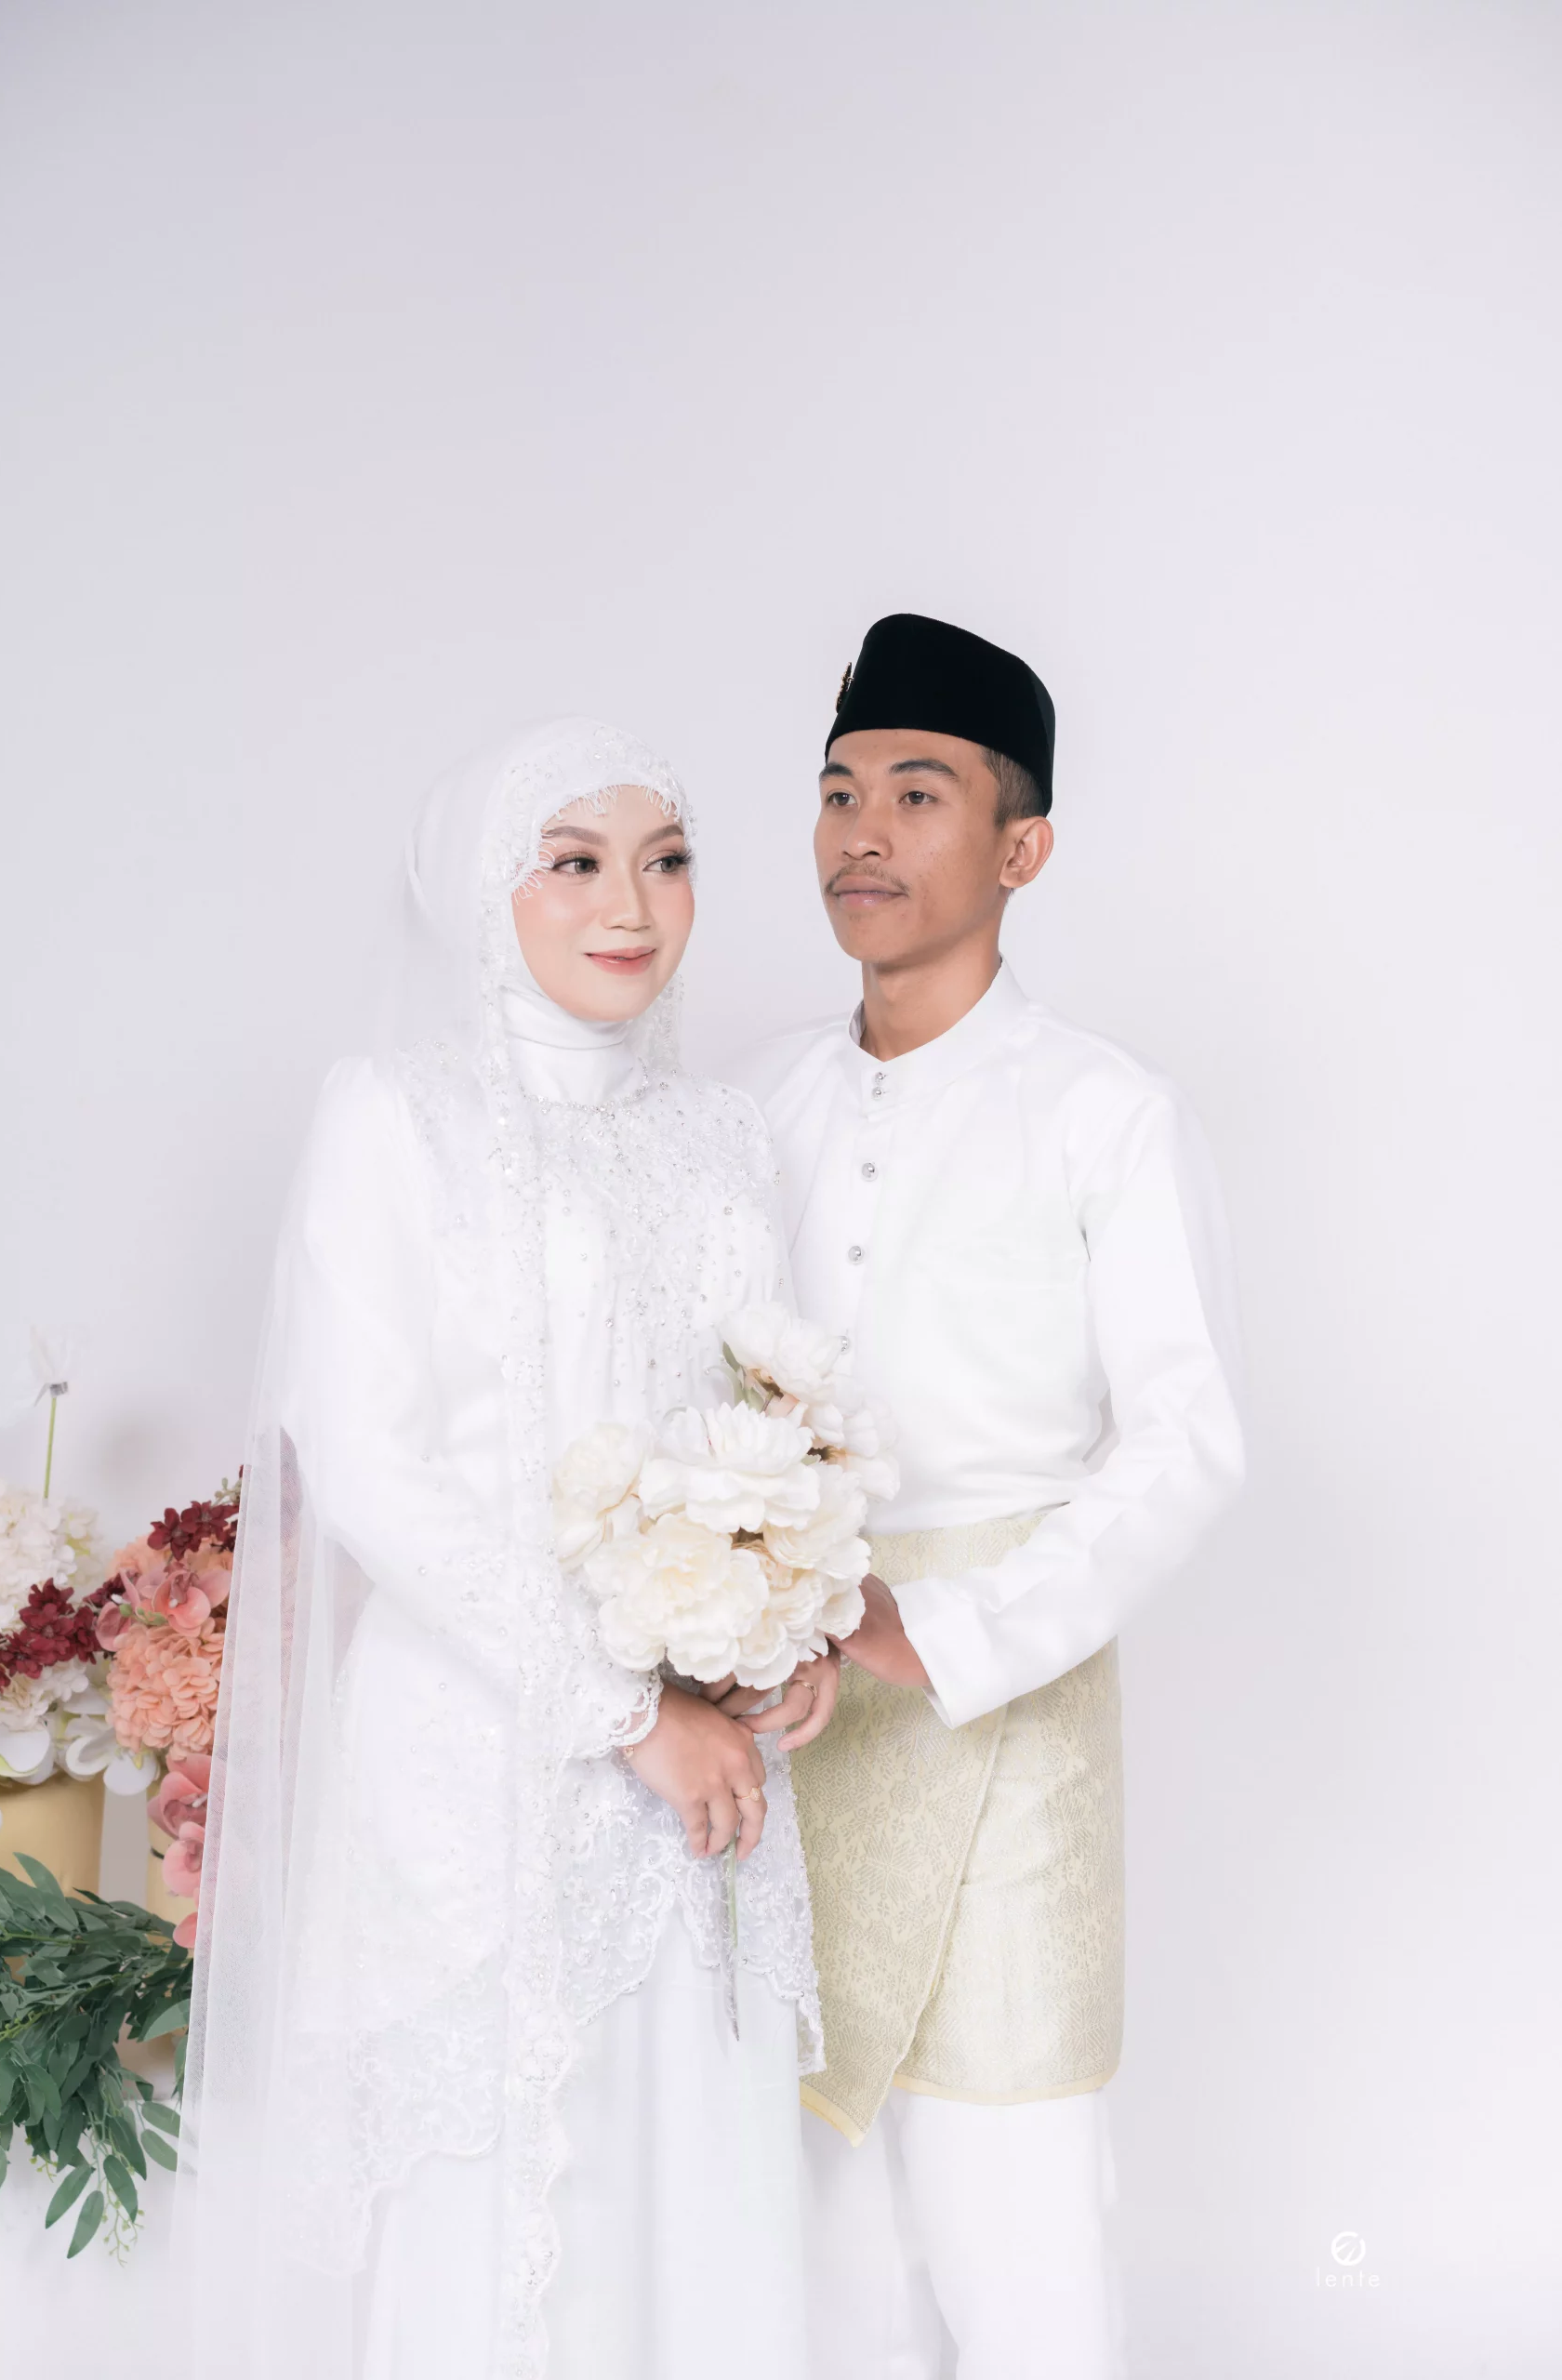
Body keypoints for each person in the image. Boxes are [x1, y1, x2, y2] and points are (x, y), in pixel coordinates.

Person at [180, 718, 835, 2379]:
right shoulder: (395, 1116)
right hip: (478, 1748)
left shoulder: (722, 1134)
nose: (631, 904)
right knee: (496, 2195)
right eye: (574, 862)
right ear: (485, 889)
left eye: (667, 861)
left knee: (688, 2179)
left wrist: (791, 1627)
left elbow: (767, 1412)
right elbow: (369, 1460)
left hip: (702, 1760)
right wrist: (621, 1711)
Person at [731, 615, 1246, 2379]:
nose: (860, 835)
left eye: (916, 793)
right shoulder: (754, 1105)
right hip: (779, 1708)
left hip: (1002, 1716)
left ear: (1020, 848)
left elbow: (1185, 1439)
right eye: (836, 793)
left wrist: (940, 1630)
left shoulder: (1104, 1111)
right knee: (809, 2214)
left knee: (1010, 2197)